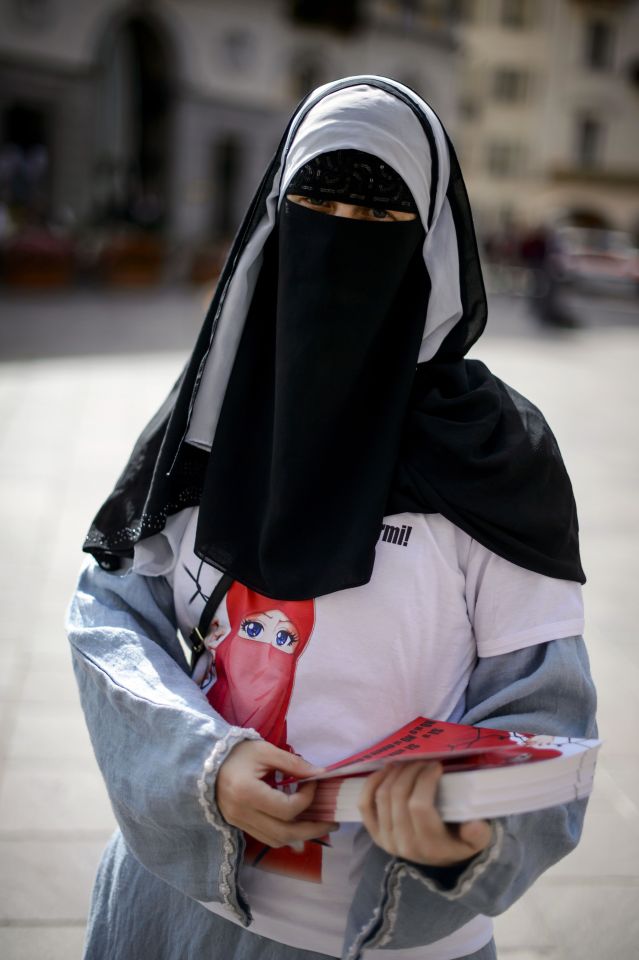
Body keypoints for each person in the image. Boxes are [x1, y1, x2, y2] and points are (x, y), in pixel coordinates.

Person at [67, 77, 596, 960]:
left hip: (385, 930)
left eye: (381, 211)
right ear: (277, 217)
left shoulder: (492, 458)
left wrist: (467, 828)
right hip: (178, 906)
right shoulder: (211, 418)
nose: (343, 225)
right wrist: (205, 765)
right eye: (319, 196)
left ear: (428, 241)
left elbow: (547, 710)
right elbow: (112, 617)